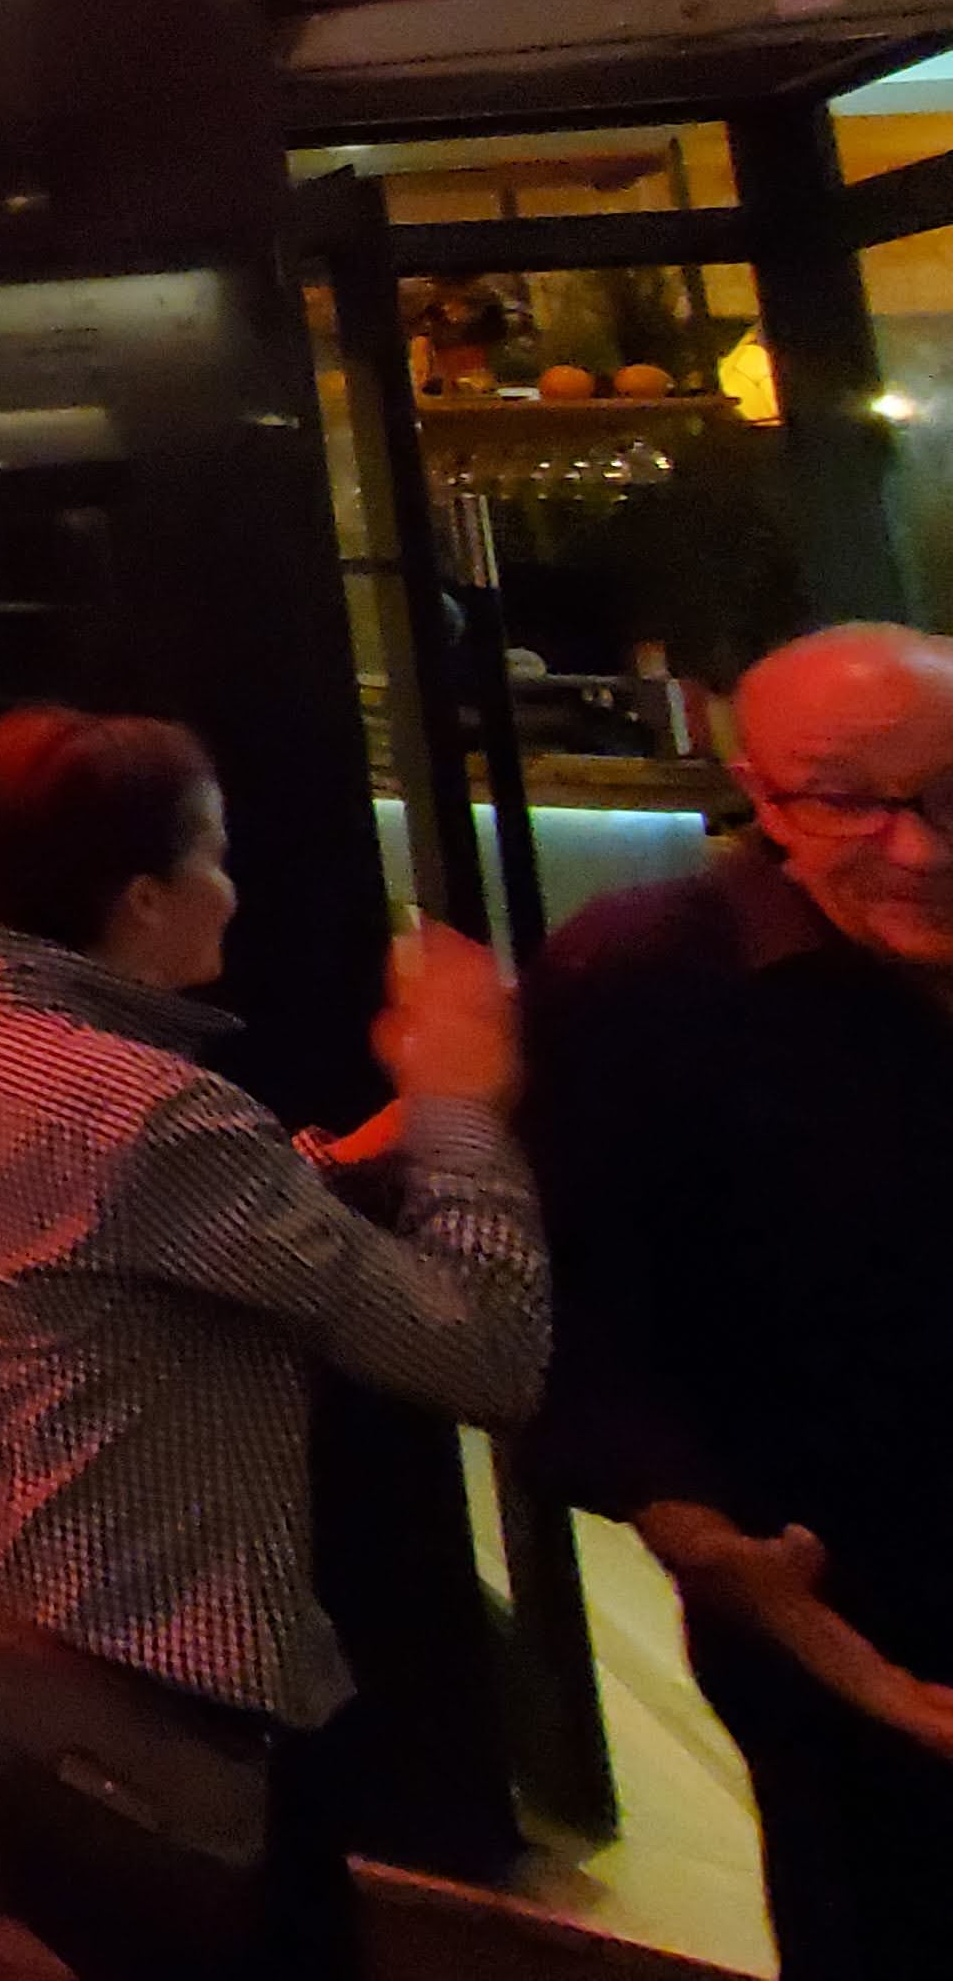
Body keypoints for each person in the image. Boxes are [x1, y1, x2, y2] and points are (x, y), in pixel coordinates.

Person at [0, 706, 546, 1980]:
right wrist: (463, 1110)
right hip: (168, 1683)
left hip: (37, 1633)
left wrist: (355, 1151)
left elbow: (137, 1232)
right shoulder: (147, 1111)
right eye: (215, 853)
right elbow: (482, 1355)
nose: (232, 888)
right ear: (142, 899)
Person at [525, 622, 953, 1979]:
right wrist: (738, 1571)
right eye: (844, 802)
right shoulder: (648, 983)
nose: (917, 849)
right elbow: (589, 1336)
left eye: (950, 796)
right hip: (854, 1606)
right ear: (760, 796)